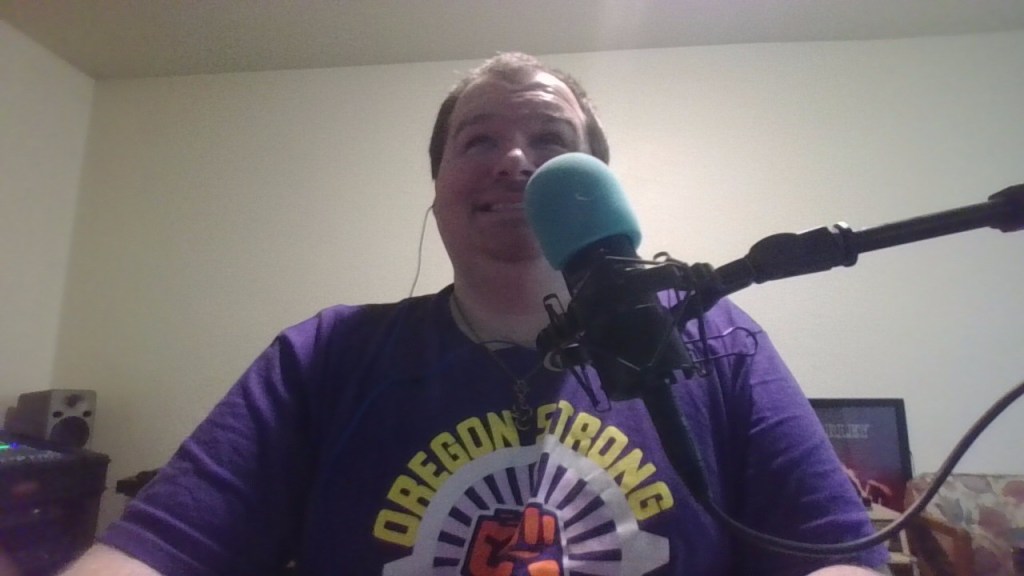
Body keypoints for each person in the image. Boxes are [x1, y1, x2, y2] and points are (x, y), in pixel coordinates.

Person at [60, 53, 889, 575]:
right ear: (439, 188)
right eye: (478, 141)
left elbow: (835, 556)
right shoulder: (326, 355)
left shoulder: (715, 336)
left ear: (598, 186)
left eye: (550, 141)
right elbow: (156, 552)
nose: (515, 162)